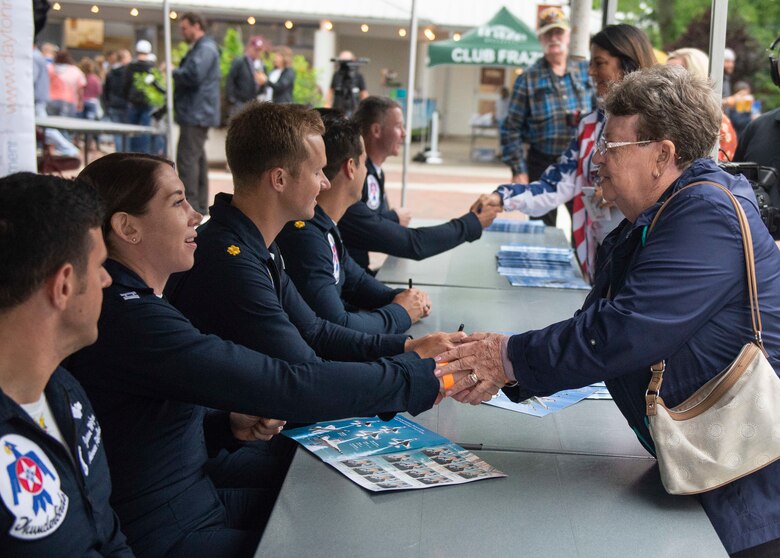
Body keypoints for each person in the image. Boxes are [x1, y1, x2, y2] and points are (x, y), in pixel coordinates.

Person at [436, 64, 780, 557]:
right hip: (709, 468)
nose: (597, 160)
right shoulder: (657, 217)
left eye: (611, 147)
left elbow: (624, 331)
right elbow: (596, 327)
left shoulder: (706, 214)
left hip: (749, 491)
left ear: (663, 155)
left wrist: (506, 357)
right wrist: (510, 367)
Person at [68, 152, 462, 558]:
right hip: (168, 530)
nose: (193, 215)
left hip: (195, 497)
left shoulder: (145, 300)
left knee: (344, 497)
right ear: (127, 227)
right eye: (177, 202)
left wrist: (227, 424)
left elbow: (146, 420)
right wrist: (420, 375)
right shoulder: (134, 315)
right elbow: (289, 383)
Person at [166, 102, 460, 365]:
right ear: (279, 179)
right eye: (317, 171)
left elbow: (317, 331)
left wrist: (410, 347)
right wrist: (412, 372)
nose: (325, 183)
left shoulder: (260, 244)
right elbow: (307, 370)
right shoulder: (232, 260)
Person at [0, 173, 132, 555]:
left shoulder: (64, 389)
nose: (107, 280)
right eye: (100, 265)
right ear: (63, 285)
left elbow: (109, 536)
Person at [474, 24, 657, 282]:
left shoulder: (665, 123)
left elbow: (677, 189)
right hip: (602, 264)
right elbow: (555, 185)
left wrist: (625, 190)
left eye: (600, 63)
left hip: (648, 261)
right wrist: (503, 197)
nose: (591, 72)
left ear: (628, 65)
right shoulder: (589, 126)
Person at [276, 109, 431, 334]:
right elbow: (337, 327)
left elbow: (355, 281)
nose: (323, 182)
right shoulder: (305, 236)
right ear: (350, 167)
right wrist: (400, 313)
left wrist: (401, 298)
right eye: (365, 162)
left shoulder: (324, 225)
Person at [338, 96, 500, 272]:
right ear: (376, 130)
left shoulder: (373, 174)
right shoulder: (348, 189)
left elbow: (370, 227)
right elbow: (412, 243)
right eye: (399, 126)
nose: (405, 133)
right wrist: (471, 223)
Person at [500, 6, 594, 227]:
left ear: (568, 35)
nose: (554, 38)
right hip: (541, 162)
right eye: (548, 33)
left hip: (580, 163)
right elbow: (511, 128)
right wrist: (518, 170)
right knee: (541, 229)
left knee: (586, 229)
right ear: (540, 38)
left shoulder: (586, 70)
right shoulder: (528, 78)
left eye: (558, 32)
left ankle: (581, 264)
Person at [173, 12, 221, 215]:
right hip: (198, 111)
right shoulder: (205, 48)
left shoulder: (205, 48)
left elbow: (194, 75)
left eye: (184, 28)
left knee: (188, 159)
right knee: (196, 159)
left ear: (196, 25)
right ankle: (198, 205)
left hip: (196, 112)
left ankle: (191, 205)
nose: (182, 32)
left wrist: (173, 71)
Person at [666, 47, 738, 161]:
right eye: (665, 74)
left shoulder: (718, 123)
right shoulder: (659, 117)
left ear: (697, 78)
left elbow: (718, 169)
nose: (666, 81)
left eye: (675, 76)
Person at [34, 43, 80, 157]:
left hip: (51, 100)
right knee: (64, 128)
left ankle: (63, 149)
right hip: (68, 101)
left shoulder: (50, 67)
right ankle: (67, 148)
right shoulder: (74, 70)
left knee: (49, 128)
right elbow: (80, 85)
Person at [122, 40, 156, 153]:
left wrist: (128, 97)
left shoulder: (131, 66)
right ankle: (144, 155)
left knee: (132, 131)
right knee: (145, 130)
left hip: (133, 102)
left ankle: (132, 154)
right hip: (147, 102)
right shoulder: (152, 67)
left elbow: (126, 84)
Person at [226, 36, 267, 116]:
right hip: (239, 102)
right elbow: (230, 79)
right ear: (249, 47)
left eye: (259, 50)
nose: (257, 53)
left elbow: (263, 87)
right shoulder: (240, 61)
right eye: (256, 50)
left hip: (253, 103)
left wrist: (263, 84)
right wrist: (232, 99)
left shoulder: (262, 65)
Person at [102, 48, 131, 150]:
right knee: (127, 133)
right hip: (126, 105)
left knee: (117, 134)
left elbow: (105, 91)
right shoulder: (128, 73)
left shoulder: (111, 73)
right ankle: (127, 155)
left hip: (113, 105)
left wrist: (107, 105)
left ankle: (119, 155)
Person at [325, 50, 369, 116]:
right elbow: (330, 92)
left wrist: (365, 110)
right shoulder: (337, 75)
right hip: (337, 109)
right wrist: (327, 107)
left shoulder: (358, 76)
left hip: (354, 110)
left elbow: (364, 94)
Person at [47, 50, 86, 120]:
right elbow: (81, 89)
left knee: (51, 124)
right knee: (66, 124)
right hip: (69, 100)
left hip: (51, 100)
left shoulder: (49, 68)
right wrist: (80, 102)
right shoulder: (75, 70)